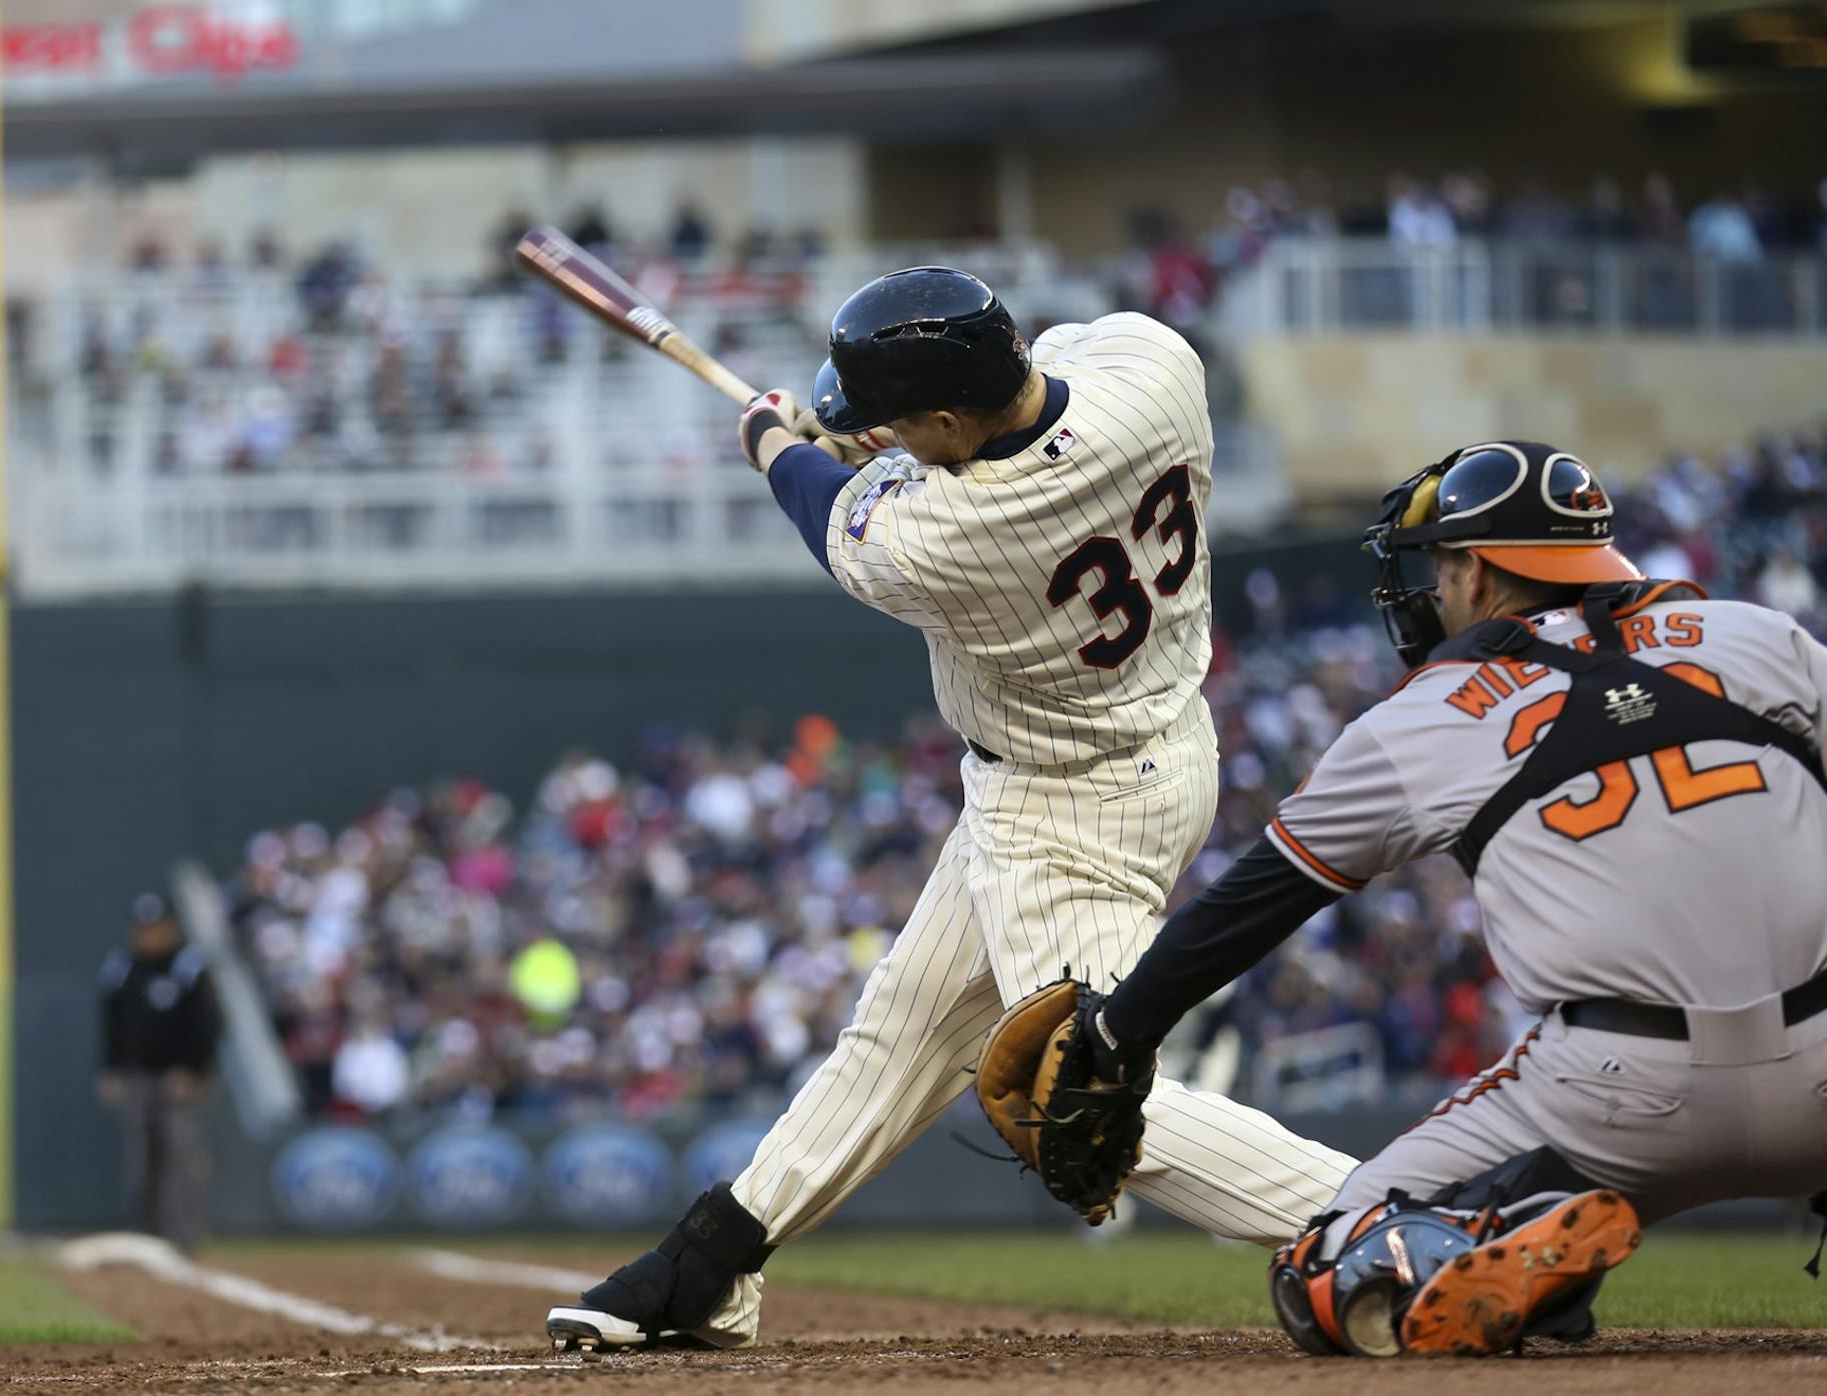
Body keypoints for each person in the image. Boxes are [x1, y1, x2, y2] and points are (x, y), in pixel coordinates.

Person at [544, 266, 1354, 1352]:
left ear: (942, 418)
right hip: (1145, 745)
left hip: (1073, 806)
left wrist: (776, 441)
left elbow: (829, 507)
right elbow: (1021, 399)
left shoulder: (938, 538)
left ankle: (1409, 1214)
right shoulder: (1157, 368)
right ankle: (713, 1261)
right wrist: (891, 445)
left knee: (1082, 1095)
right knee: (904, 1033)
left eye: (899, 423)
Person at [1078, 442, 1827, 1356]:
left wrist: (1116, 1034)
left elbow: (1252, 905)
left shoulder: (1422, 716)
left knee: (1332, 1262)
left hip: (1620, 1097)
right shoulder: (1756, 636)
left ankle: (1515, 1215)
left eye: (1441, 567)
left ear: (1480, 572)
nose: (1431, 591)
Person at [98, 892, 222, 1251]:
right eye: (141, 929)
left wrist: (193, 1070)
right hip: (139, 1076)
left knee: (183, 1154)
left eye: (154, 928)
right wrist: (112, 1068)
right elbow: (112, 1022)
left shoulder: (189, 965)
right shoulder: (121, 966)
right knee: (143, 1155)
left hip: (180, 1077)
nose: (147, 936)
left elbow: (209, 1024)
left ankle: (185, 1236)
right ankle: (146, 1232)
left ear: (170, 928)